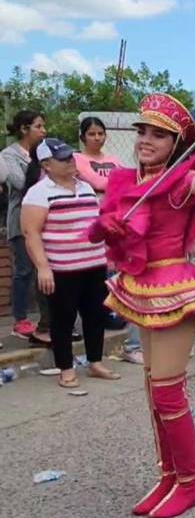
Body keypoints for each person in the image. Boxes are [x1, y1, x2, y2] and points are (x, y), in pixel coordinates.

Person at [88, 92, 195, 518]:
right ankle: (168, 475)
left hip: (174, 285)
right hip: (141, 286)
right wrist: (107, 226)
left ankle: (190, 483)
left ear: (175, 142)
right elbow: (103, 235)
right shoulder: (126, 182)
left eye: (158, 134)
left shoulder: (179, 180)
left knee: (166, 388)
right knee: (151, 389)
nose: (146, 139)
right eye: (142, 131)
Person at [20, 138, 118, 388]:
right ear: (47, 165)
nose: (70, 162)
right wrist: (43, 267)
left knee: (95, 315)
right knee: (62, 319)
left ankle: (95, 362)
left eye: (70, 157)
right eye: (62, 159)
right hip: (62, 269)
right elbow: (31, 234)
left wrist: (108, 253)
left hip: (94, 265)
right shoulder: (39, 193)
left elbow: (95, 223)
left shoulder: (85, 187)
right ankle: (65, 368)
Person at [1, 110, 51, 344]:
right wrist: (41, 167)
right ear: (24, 129)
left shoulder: (45, 152)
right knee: (23, 270)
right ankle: (20, 319)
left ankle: (47, 320)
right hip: (20, 219)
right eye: (38, 126)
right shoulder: (9, 155)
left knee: (46, 269)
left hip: (46, 219)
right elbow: (21, 183)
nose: (44, 131)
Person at [74, 117, 123, 195]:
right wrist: (121, 184)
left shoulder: (113, 159)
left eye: (100, 134)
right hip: (90, 203)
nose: (97, 138)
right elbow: (98, 183)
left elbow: (126, 179)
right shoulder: (77, 159)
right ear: (83, 137)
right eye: (92, 134)